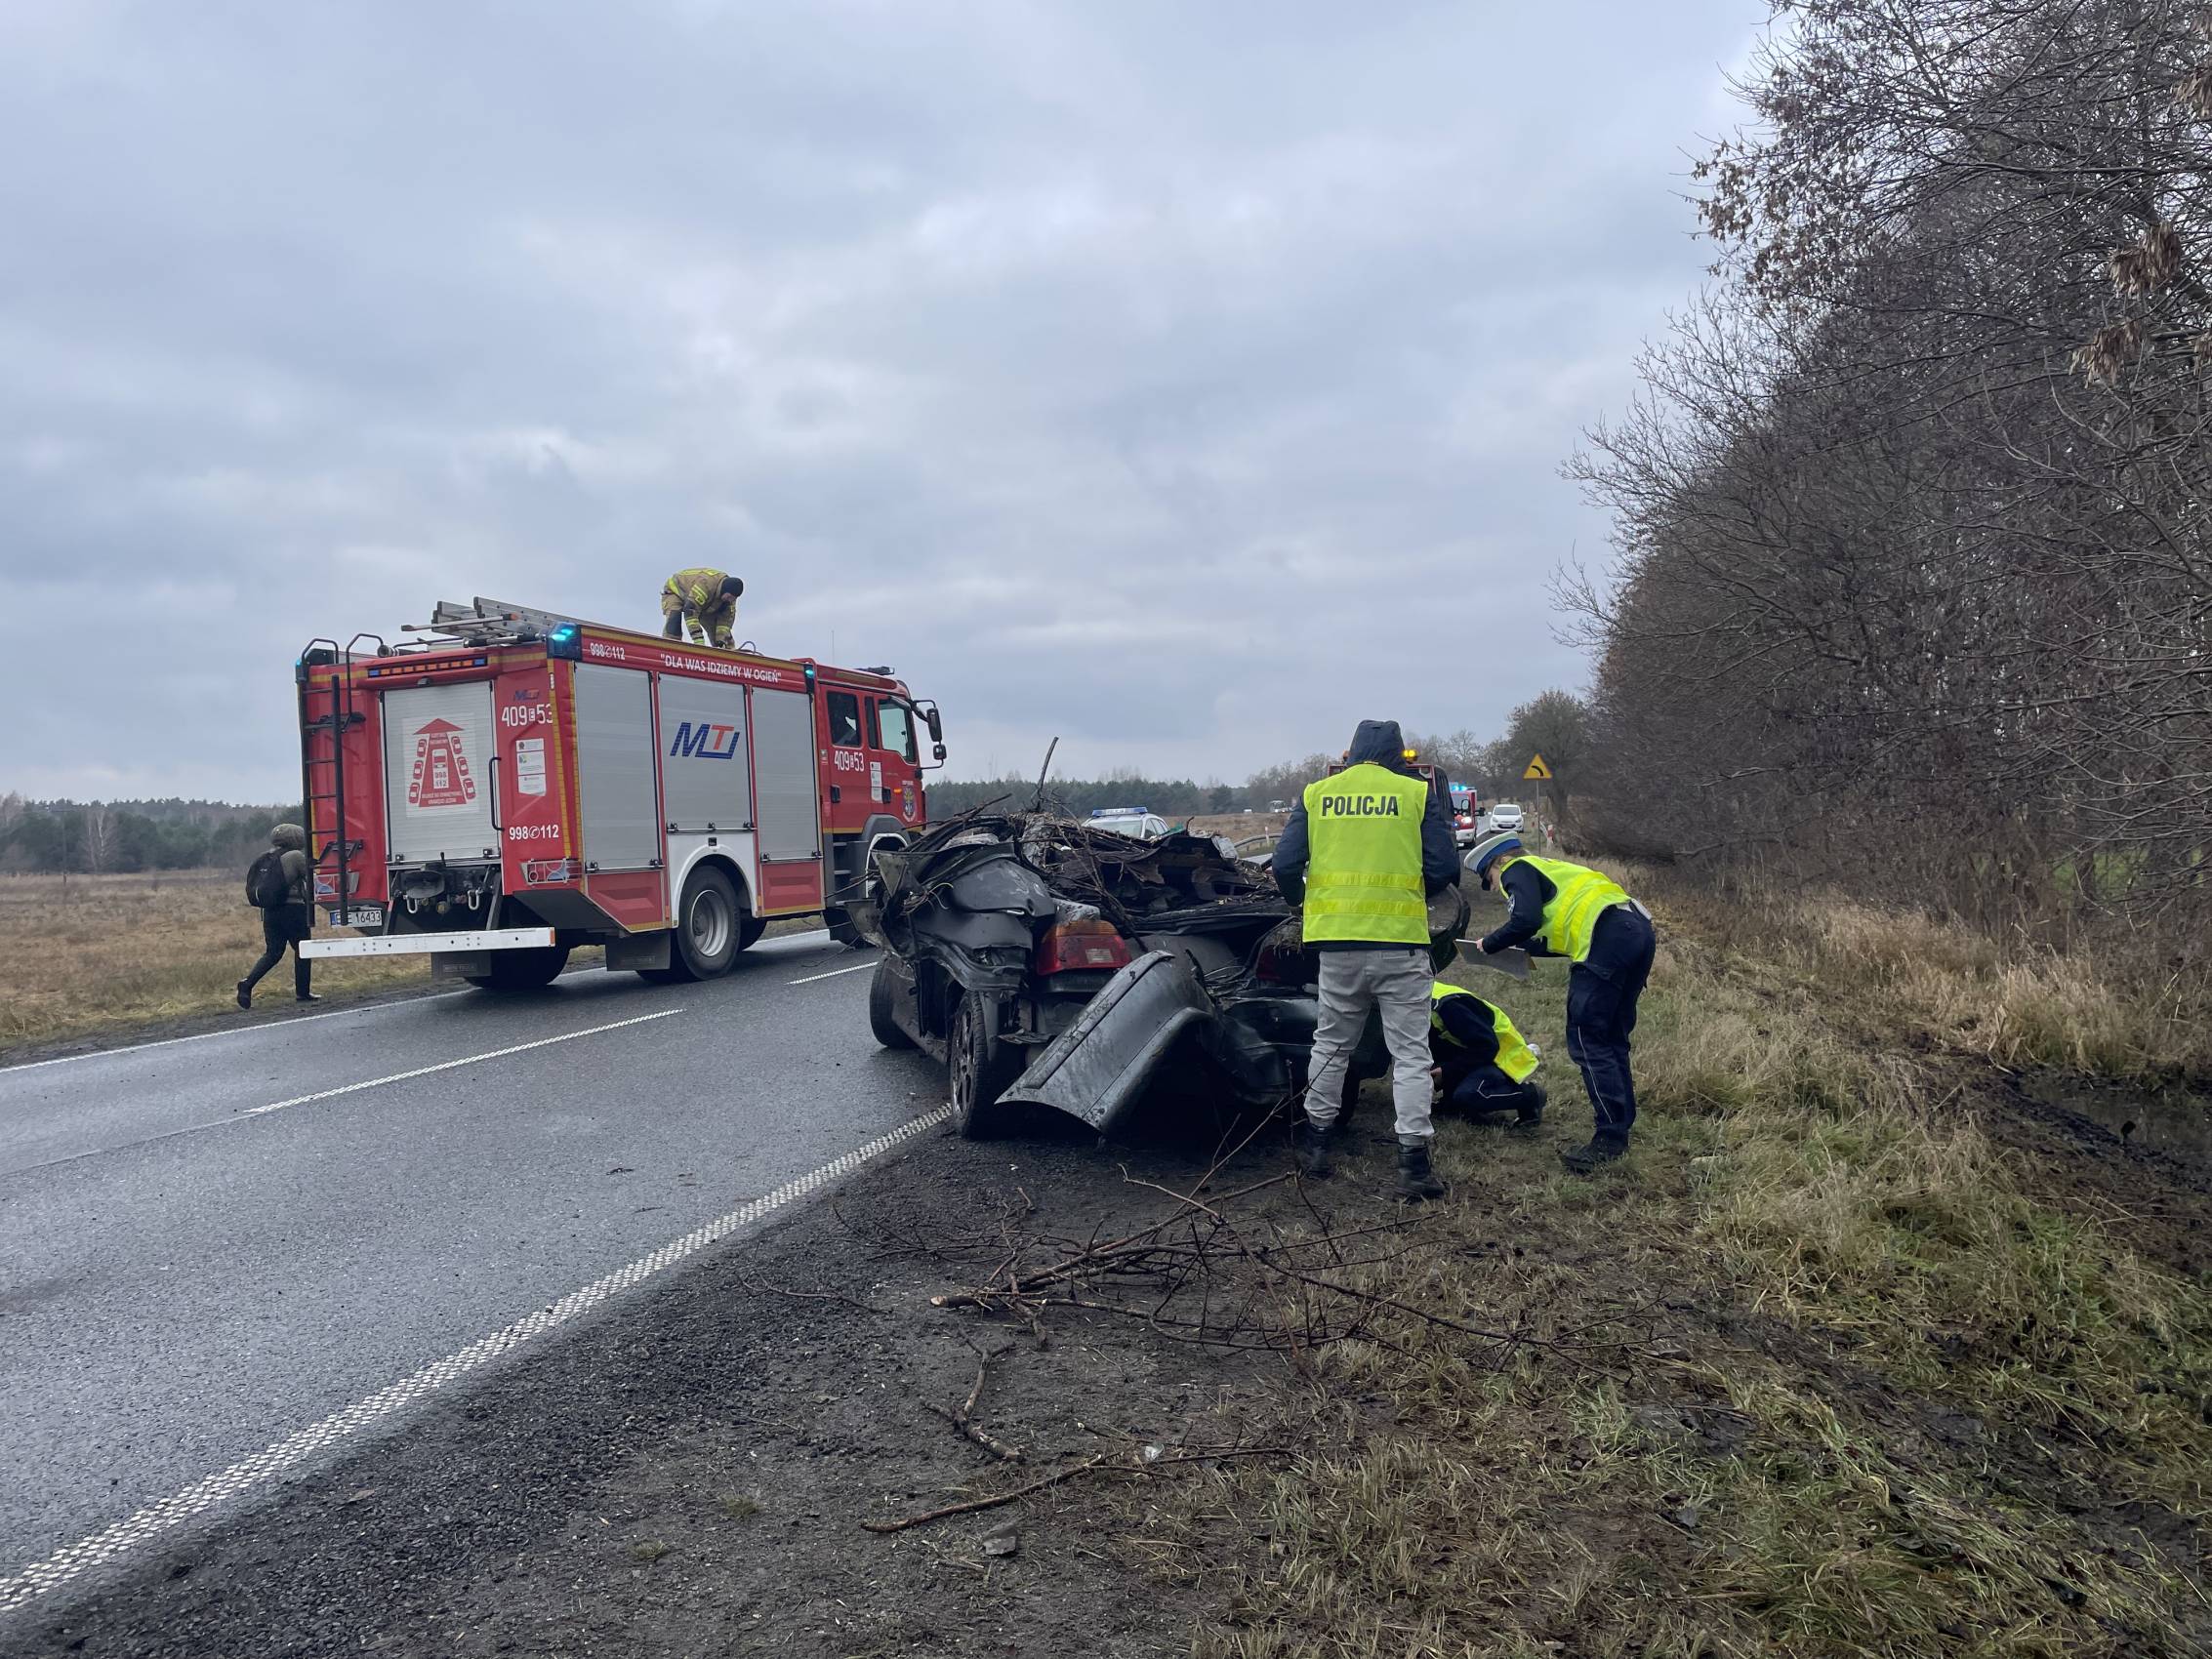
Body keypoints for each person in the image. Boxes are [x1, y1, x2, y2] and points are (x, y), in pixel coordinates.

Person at [1273, 719, 1461, 1200]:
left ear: (1352, 752)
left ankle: (1316, 1148)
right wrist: (1413, 896)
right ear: (1398, 754)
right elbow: (1443, 867)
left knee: (1331, 1045)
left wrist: (1302, 904)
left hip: (1336, 945)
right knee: (1411, 1054)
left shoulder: (1318, 794)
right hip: (1400, 944)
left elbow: (1285, 864)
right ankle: (1413, 1165)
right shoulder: (1415, 794)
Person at [1465, 832, 1655, 1174]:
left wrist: (1489, 944)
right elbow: (1555, 930)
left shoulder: (1516, 868)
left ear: (1500, 861)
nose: (1495, 888)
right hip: (1635, 930)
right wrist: (1519, 948)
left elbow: (1525, 920)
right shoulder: (1551, 869)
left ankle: (1610, 1138)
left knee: (1588, 1039)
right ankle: (1619, 1126)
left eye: (1490, 879)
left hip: (1607, 938)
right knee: (1611, 1039)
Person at [1429, 981, 1545, 1126]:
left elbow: (1487, 1047)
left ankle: (1530, 1095)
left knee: (1470, 1095)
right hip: (1472, 1053)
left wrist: (1446, 1071)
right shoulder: (1416, 997)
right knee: (1453, 1097)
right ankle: (1452, 1101)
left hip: (1499, 1058)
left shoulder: (1448, 1007)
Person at [237, 822, 320, 1009]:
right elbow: (312, 879)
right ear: (297, 839)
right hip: (293, 910)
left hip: (269, 911)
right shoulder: (295, 856)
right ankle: (303, 992)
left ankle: (247, 984)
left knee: (273, 953)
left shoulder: (265, 857)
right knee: (303, 949)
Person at [660, 569, 744, 650]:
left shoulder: (730, 599)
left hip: (706, 602)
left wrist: (721, 641)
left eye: (733, 598)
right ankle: (670, 648)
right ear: (724, 589)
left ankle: (729, 654)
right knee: (674, 622)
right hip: (676, 590)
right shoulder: (706, 584)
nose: (730, 600)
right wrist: (698, 641)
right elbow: (690, 611)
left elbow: (725, 623)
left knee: (723, 640)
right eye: (729, 597)